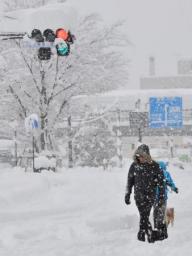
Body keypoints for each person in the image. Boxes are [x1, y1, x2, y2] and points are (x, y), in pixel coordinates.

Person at [125, 144, 165, 243]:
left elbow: (161, 184)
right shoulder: (134, 166)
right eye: (138, 156)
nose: (140, 158)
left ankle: (142, 233)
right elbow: (130, 181)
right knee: (144, 215)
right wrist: (127, 193)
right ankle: (148, 232)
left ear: (147, 156)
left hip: (150, 196)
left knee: (144, 214)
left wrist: (161, 197)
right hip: (138, 196)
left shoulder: (155, 166)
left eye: (142, 156)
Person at [153, 161, 178, 240]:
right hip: (163, 196)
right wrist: (174, 188)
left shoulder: (153, 173)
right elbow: (170, 182)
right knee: (161, 211)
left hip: (154, 197)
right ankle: (162, 228)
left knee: (156, 212)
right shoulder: (166, 173)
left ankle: (157, 227)